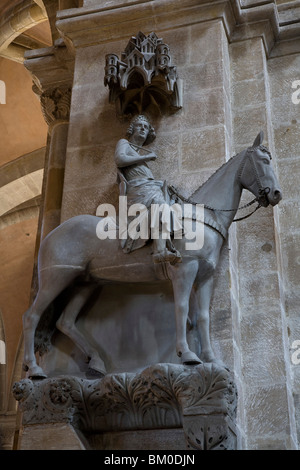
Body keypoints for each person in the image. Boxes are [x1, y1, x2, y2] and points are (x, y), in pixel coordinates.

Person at [114, 114, 181, 264]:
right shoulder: (124, 143)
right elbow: (120, 159)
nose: (143, 128)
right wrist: (146, 157)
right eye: (139, 125)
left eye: (146, 127)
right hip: (137, 190)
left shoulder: (137, 152)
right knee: (160, 204)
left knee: (173, 203)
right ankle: (159, 252)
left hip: (148, 188)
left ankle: (167, 242)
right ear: (132, 129)